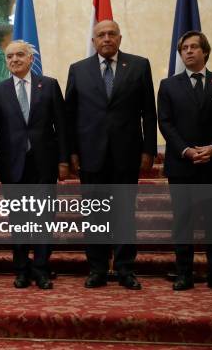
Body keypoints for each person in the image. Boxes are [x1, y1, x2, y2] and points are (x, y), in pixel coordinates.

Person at [65, 20, 157, 290]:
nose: (106, 38)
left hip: (126, 154)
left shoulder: (139, 65)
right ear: (93, 41)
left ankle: (126, 268)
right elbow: (70, 116)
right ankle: (98, 268)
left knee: (124, 213)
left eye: (111, 34)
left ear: (120, 37)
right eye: (100, 35)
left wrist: (149, 149)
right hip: (90, 154)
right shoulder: (78, 70)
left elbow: (148, 113)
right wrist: (71, 151)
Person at [0, 40, 69, 290]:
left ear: (31, 59)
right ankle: (21, 269)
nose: (14, 60)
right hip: (12, 165)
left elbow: (61, 127)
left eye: (19, 55)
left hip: (44, 164)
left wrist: (64, 160)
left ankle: (42, 269)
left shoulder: (49, 85)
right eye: (9, 57)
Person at [158, 31, 212, 292]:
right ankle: (184, 274)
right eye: (184, 48)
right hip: (182, 164)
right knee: (183, 220)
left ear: (205, 51)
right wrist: (186, 151)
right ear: (180, 54)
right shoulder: (168, 85)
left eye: (194, 47)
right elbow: (165, 123)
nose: (189, 51)